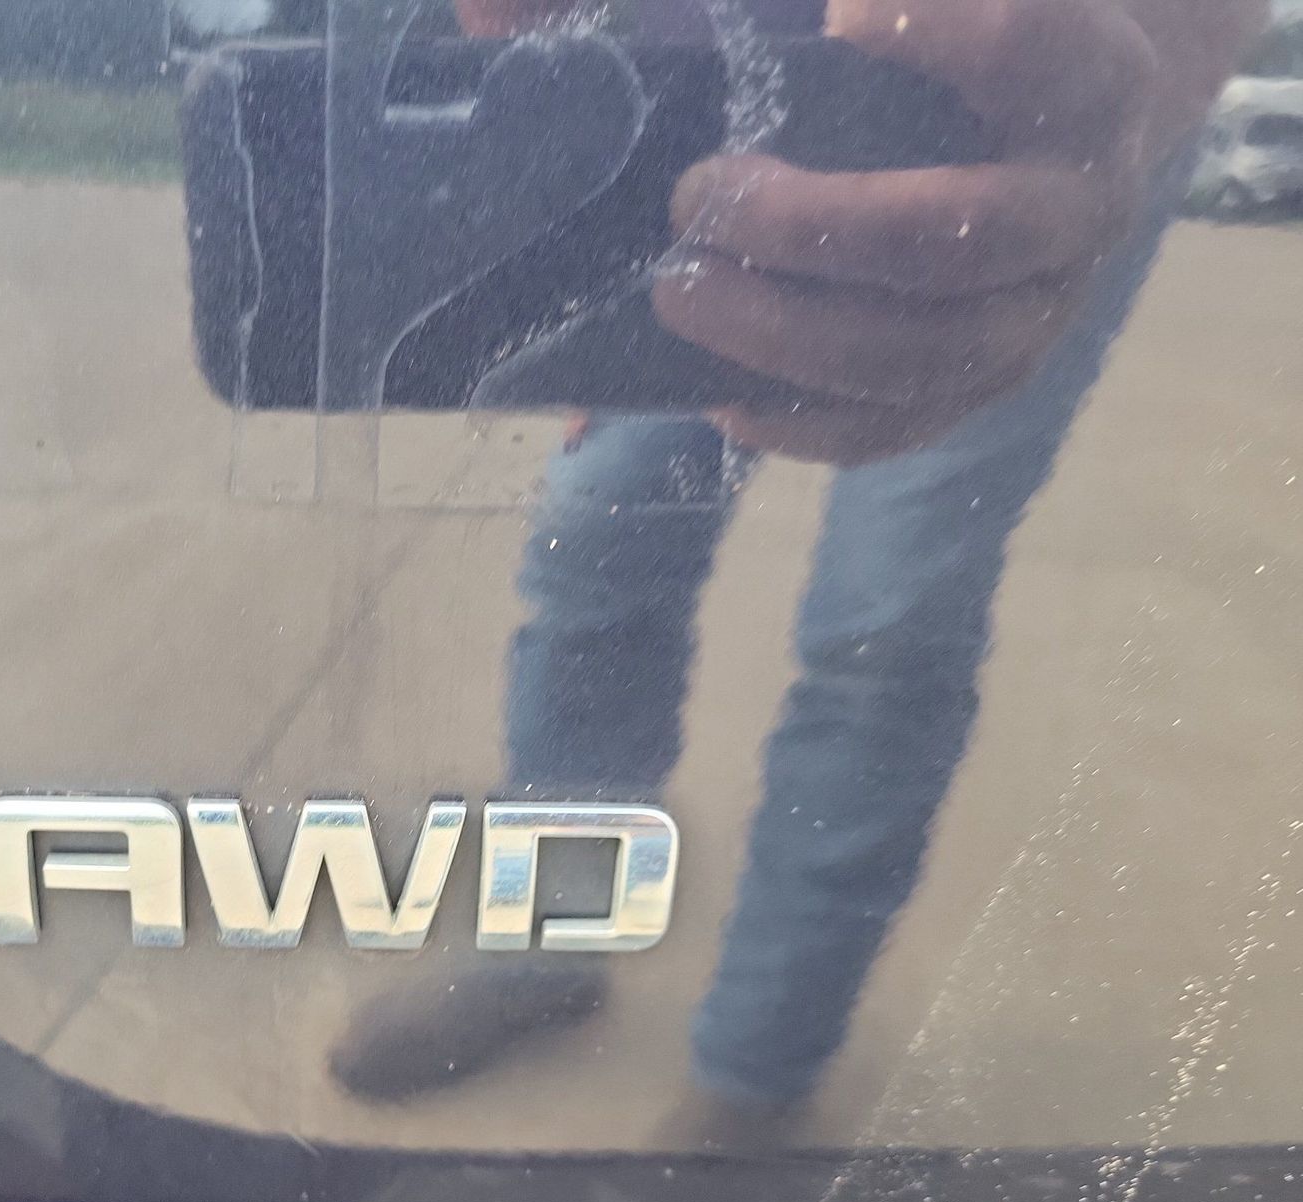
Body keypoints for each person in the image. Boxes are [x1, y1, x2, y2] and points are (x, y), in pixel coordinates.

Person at [332, 0, 1269, 1131]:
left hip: (1046, 81)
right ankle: (545, 949)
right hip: (729, 64)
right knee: (598, 529)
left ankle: (751, 1085)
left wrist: (1114, 109)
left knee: (887, 619)